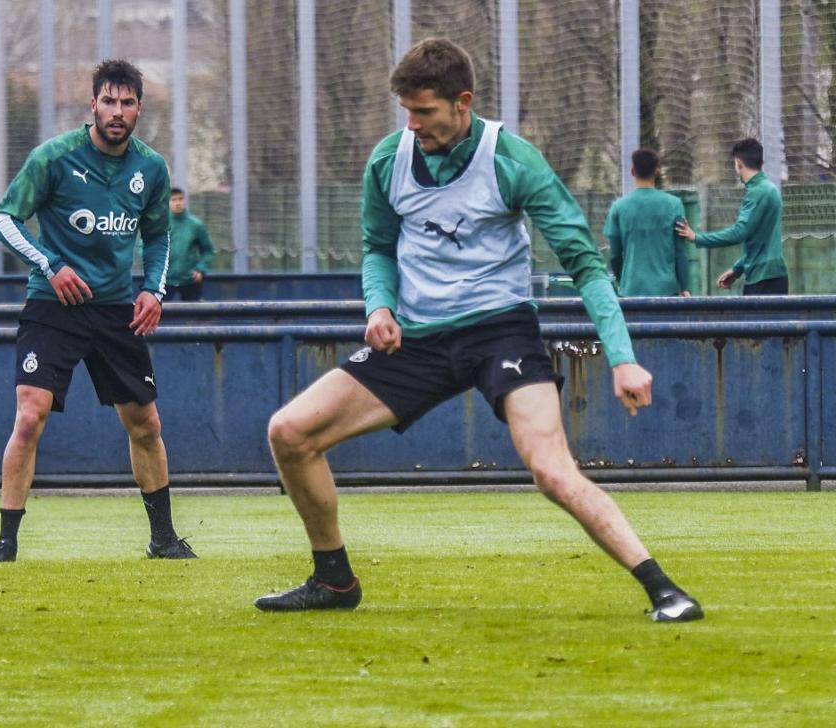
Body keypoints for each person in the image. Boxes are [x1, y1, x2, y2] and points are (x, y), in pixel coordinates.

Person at [254, 39, 702, 623]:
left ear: (462, 102)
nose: (412, 126)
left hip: (501, 332)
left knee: (550, 469)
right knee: (289, 432)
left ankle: (664, 589)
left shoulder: (512, 159)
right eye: (407, 113)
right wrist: (379, 307)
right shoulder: (389, 161)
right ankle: (334, 582)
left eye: (425, 112)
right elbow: (377, 248)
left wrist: (622, 358)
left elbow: (586, 264)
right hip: (419, 339)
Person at [0, 59, 195, 563]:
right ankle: (6, 541)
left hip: (117, 309)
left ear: (139, 108)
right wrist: (50, 264)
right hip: (53, 306)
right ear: (92, 105)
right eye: (108, 101)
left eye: (127, 103)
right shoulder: (53, 158)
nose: (117, 112)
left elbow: (159, 234)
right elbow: (4, 219)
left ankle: (163, 538)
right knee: (30, 415)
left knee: (145, 424)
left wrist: (154, 291)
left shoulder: (152, 168)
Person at [675, 138, 788, 295]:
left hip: (764, 279)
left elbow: (739, 232)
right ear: (762, 162)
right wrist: (737, 269)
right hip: (768, 276)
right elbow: (759, 242)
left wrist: (696, 237)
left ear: (738, 163)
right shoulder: (769, 189)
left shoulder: (757, 192)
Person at [604, 149, 690, 297]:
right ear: (657, 172)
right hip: (666, 290)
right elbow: (680, 252)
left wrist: (622, 281)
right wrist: (683, 286)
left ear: (632, 171)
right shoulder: (674, 204)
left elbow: (614, 254)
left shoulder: (618, 207)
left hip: (631, 289)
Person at [166, 188, 215, 301]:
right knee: (160, 316)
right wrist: (155, 270)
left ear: (185, 201)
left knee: (195, 317)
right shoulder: (160, 224)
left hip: (190, 280)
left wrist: (200, 269)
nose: (177, 203)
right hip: (164, 281)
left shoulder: (195, 225)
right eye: (173, 200)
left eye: (180, 199)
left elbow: (207, 250)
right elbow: (144, 246)